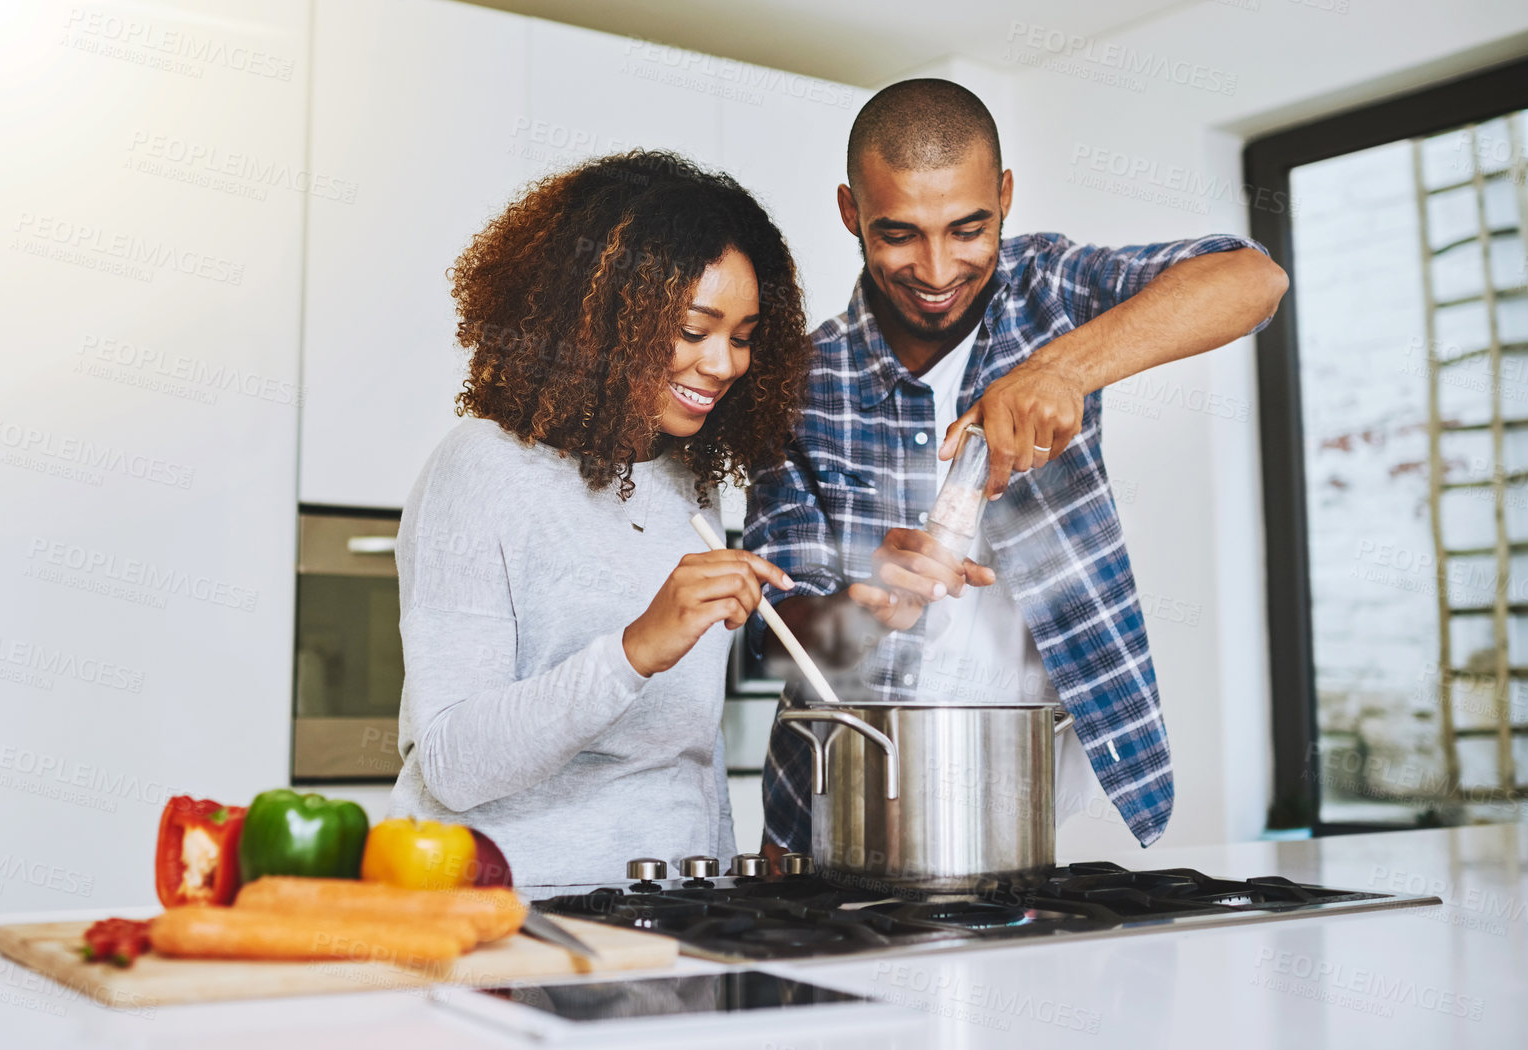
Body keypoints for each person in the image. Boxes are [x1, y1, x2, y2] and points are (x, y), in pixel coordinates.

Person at [747, 80, 1289, 863]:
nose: (937, 270)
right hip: (841, 807)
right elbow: (775, 647)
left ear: (1005, 196)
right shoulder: (800, 383)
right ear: (849, 212)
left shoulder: (1051, 291)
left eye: (969, 229)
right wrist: (865, 609)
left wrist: (1063, 369)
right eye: (898, 234)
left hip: (1023, 788)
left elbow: (1252, 281)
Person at [389, 151, 813, 887]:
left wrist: (724, 903)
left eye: (743, 337)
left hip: (674, 923)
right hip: (512, 921)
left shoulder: (686, 482)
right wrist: (638, 647)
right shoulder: (481, 469)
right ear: (604, 320)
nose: (722, 364)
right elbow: (453, 762)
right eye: (693, 329)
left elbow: (689, 756)